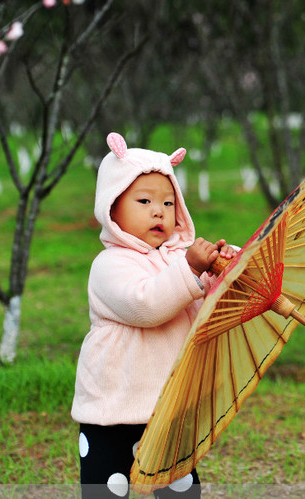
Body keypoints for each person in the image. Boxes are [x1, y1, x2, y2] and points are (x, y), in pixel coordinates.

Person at [71, 132, 235, 498]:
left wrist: (223, 267)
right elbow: (146, 305)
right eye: (143, 201)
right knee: (107, 488)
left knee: (178, 487)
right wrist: (191, 271)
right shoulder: (109, 266)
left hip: (169, 405)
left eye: (167, 202)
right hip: (111, 407)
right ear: (112, 208)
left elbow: (201, 298)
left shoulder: (180, 260)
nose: (158, 211)